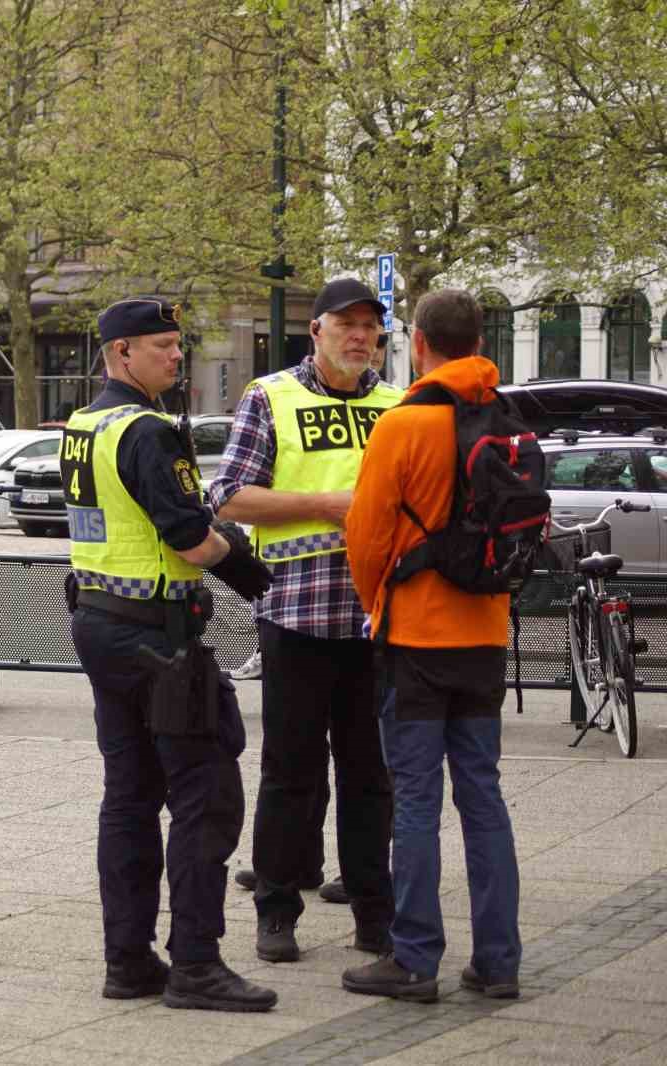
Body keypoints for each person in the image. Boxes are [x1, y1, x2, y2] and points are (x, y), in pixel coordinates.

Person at [66, 296, 277, 1012]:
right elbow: (191, 536)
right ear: (122, 352)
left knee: (128, 798)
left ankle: (127, 961)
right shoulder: (149, 431)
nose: (177, 355)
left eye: (178, 344)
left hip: (99, 623)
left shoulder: (84, 424)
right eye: (163, 345)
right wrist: (249, 571)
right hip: (158, 639)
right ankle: (196, 964)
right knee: (207, 797)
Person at [208, 277, 401, 964]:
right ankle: (278, 909)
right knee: (291, 771)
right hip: (295, 614)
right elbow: (229, 497)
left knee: (370, 774)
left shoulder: (395, 403)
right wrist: (327, 507)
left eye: (368, 327)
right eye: (345, 325)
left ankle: (375, 915)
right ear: (314, 331)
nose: (358, 337)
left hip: (377, 617)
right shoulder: (272, 396)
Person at [343, 289, 521, 1003]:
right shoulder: (506, 418)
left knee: (415, 801)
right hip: (486, 634)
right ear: (478, 339)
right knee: (483, 796)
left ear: (418, 342)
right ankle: (499, 960)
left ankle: (414, 957)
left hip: (417, 637)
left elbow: (366, 538)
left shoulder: (403, 424)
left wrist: (377, 604)